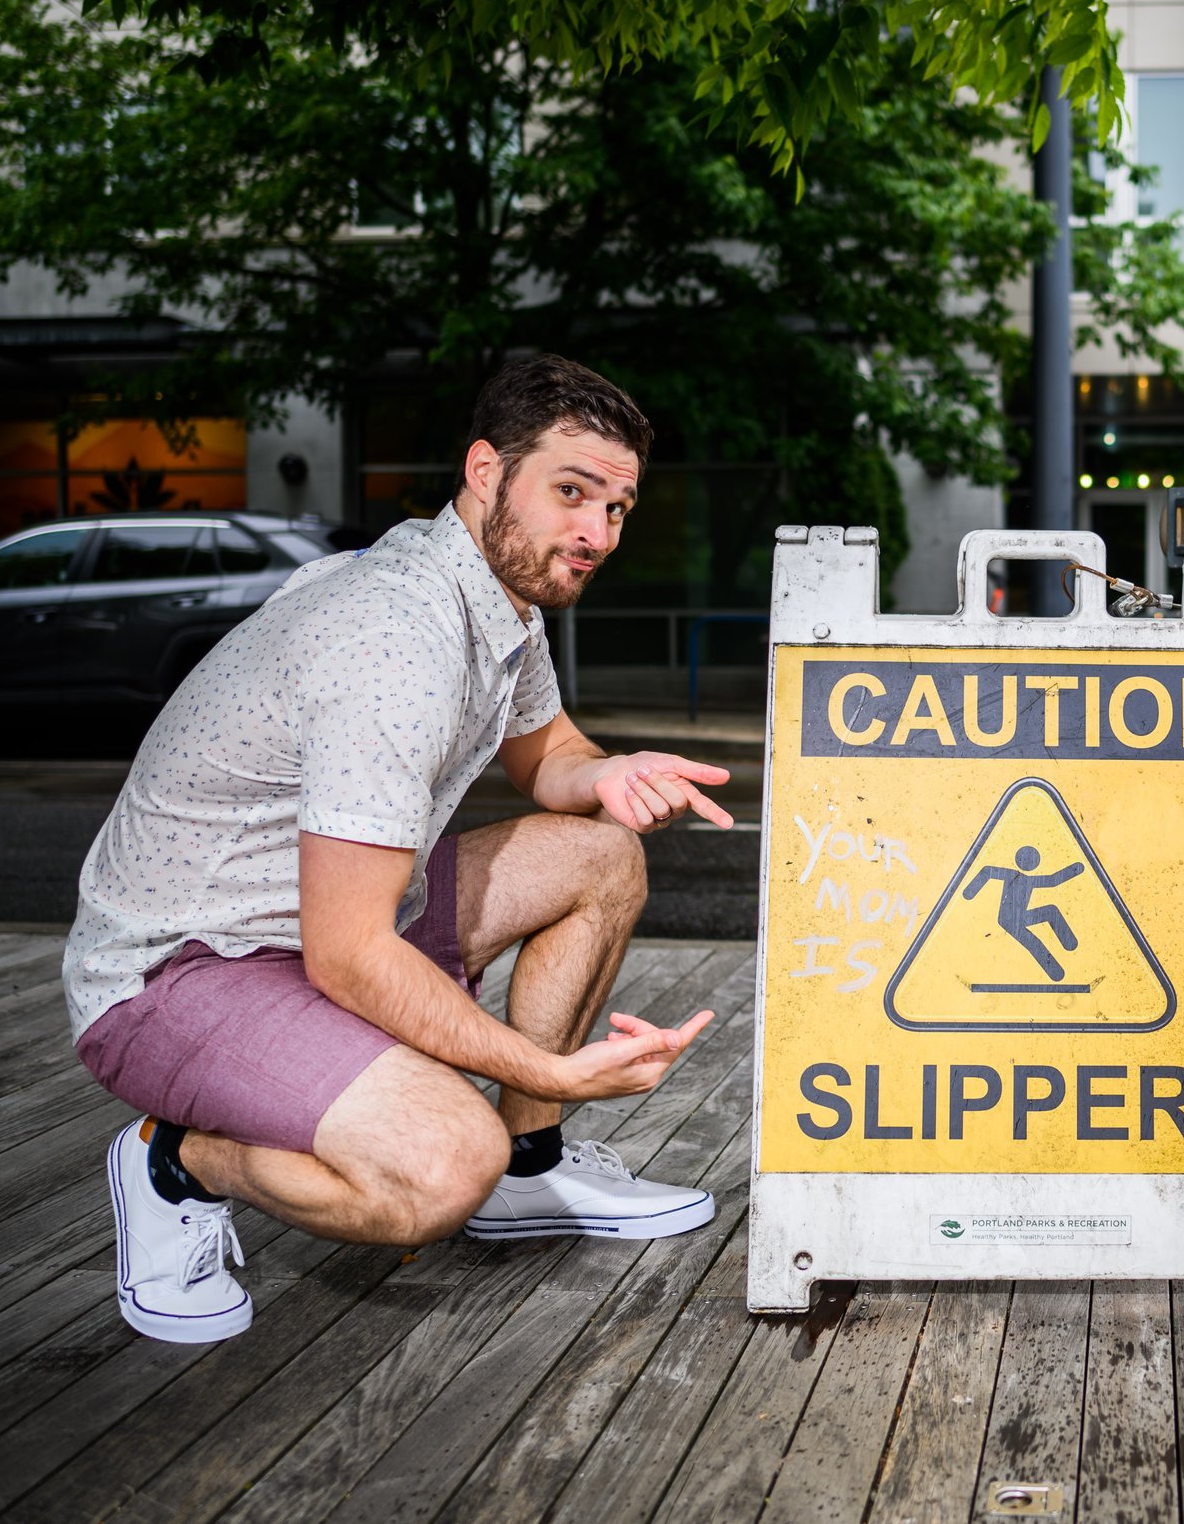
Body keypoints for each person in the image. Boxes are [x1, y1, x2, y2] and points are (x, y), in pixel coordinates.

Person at [63, 355, 737, 1345]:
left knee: (602, 854)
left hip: (311, 927)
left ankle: (531, 1165)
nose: (597, 533)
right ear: (483, 469)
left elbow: (547, 750)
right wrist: (558, 1068)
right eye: (571, 492)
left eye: (618, 507)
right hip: (181, 972)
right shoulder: (393, 632)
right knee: (435, 1168)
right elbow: (351, 955)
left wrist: (605, 773)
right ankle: (178, 1159)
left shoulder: (497, 596)